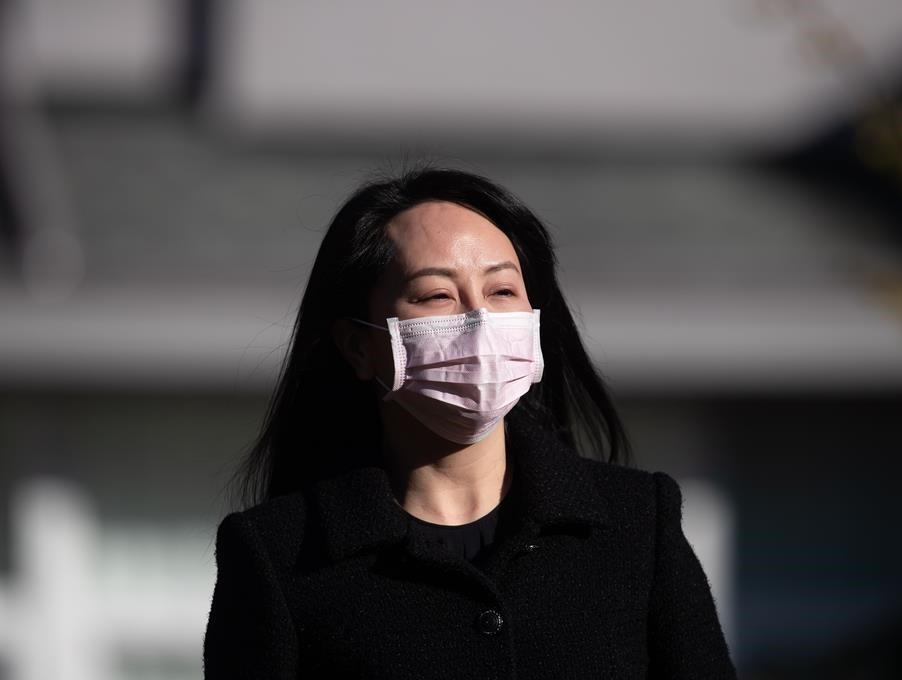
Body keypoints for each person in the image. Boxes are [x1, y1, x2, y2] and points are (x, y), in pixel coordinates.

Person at [203, 167, 736, 679]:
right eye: (437, 295)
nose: (480, 320)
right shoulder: (280, 555)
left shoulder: (638, 524)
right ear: (358, 346)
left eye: (502, 291)